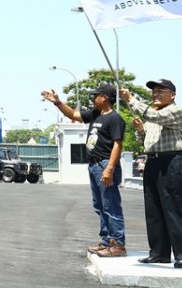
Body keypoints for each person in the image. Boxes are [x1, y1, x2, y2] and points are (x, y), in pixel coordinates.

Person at [41, 82, 127, 257]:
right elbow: (73, 114)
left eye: (96, 95)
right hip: (94, 164)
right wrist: (57, 102)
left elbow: (118, 145)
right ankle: (106, 241)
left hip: (104, 164)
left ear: (105, 97)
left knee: (111, 205)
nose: (93, 98)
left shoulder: (115, 118)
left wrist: (109, 168)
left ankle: (118, 243)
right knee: (100, 206)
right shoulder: (96, 114)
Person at [119, 79, 182, 269]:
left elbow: (154, 116)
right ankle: (159, 253)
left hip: (172, 162)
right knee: (154, 210)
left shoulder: (175, 111)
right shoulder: (154, 115)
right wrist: (140, 131)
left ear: (172, 94)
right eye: (154, 91)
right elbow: (146, 142)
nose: (155, 94)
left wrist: (131, 100)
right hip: (152, 161)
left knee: (174, 209)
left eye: (161, 91)